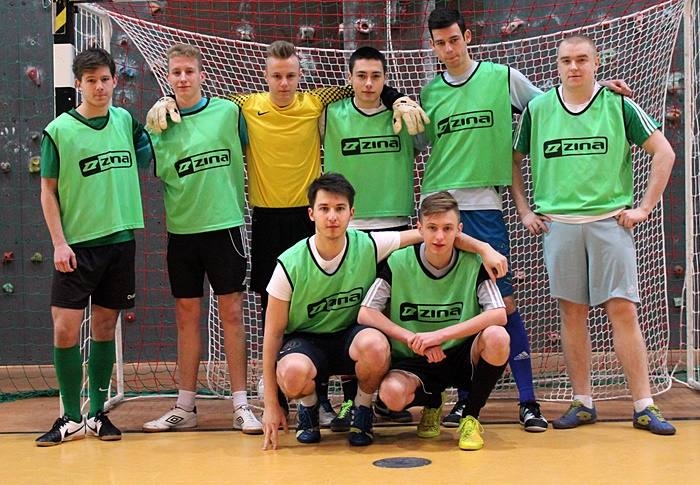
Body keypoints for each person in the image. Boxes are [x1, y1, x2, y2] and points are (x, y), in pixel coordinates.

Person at [147, 40, 428, 427]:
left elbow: (361, 86)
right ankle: (275, 398)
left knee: (322, 306)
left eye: (291, 76)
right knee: (272, 308)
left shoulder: (316, 103)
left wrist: (396, 98)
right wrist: (168, 100)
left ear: (300, 77)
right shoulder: (243, 107)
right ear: (265, 77)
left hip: (306, 218)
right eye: (277, 76)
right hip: (265, 219)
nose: (283, 83)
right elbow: (200, 100)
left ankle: (323, 399)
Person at [261, 173, 507, 450]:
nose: (332, 217)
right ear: (311, 213)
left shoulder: (369, 244)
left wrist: (484, 248)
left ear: (352, 213)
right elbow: (273, 334)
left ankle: (362, 409)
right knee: (293, 373)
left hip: (351, 338)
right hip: (307, 342)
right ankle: (309, 407)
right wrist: (270, 403)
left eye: (340, 208)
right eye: (324, 208)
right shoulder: (290, 264)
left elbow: (435, 234)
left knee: (376, 345)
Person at [512, 35, 676, 435]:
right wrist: (525, 210)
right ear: (557, 65)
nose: (574, 67)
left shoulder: (618, 104)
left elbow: (665, 152)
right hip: (560, 226)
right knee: (572, 313)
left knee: (623, 310)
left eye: (582, 59)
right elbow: (512, 160)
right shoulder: (538, 108)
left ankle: (644, 405)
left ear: (596, 63)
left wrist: (644, 208)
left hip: (609, 223)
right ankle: (582, 402)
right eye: (566, 60)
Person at [418, 7, 549, 431]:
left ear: (468, 36)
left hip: (484, 206)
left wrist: (600, 92)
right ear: (433, 46)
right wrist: (394, 102)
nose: (449, 49)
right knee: (456, 304)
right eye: (440, 43)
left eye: (454, 40)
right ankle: (462, 401)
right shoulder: (430, 92)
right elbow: (415, 141)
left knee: (504, 303)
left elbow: (551, 107)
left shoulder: (503, 78)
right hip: (439, 206)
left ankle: (528, 402)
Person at [141, 44, 262, 434]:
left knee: (232, 312)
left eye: (189, 71)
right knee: (186, 316)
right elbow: (139, 159)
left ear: (201, 75)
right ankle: (185, 405)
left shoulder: (228, 112)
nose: (183, 78)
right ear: (168, 77)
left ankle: (241, 404)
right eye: (176, 72)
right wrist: (148, 124)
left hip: (224, 227)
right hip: (182, 233)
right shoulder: (159, 125)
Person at [36, 47, 150, 446]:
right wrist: (59, 243)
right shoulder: (59, 131)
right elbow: (47, 191)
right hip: (76, 248)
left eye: (105, 79)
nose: (99, 87)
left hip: (119, 242)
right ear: (79, 84)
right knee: (65, 328)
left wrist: (166, 113)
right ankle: (70, 416)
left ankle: (98, 413)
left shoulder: (126, 121)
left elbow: (156, 146)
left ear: (115, 80)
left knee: (104, 327)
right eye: (91, 81)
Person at [358, 192, 510, 450]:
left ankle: (470, 417)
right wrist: (412, 338)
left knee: (498, 337)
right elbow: (366, 312)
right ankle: (433, 402)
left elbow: (498, 314)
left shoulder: (474, 263)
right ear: (419, 229)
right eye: (432, 228)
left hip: (461, 354)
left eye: (447, 229)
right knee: (391, 395)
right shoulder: (398, 261)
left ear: (459, 230)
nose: (439, 236)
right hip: (416, 357)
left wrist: (440, 336)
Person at [320, 45, 419, 428]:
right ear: (349, 79)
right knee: (351, 316)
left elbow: (428, 139)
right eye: (361, 76)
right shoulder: (330, 115)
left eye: (376, 76)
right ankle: (351, 401)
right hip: (352, 230)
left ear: (385, 79)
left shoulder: (404, 115)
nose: (368, 83)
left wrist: (400, 99)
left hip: (397, 226)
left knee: (391, 313)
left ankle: (387, 398)